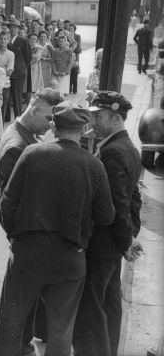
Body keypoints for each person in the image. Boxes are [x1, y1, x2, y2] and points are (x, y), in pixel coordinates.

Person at [0, 101, 115, 356]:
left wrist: (17, 237)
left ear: (52, 126)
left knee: (10, 324)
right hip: (69, 258)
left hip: (28, 254)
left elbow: (7, 204)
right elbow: (106, 216)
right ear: (82, 130)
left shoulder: (32, 153)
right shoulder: (93, 165)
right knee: (61, 331)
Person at [0, 88, 64, 353]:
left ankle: (18, 336)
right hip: (24, 232)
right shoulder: (17, 147)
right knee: (19, 295)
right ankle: (14, 341)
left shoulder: (26, 136)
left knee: (22, 293)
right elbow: (16, 202)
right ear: (34, 110)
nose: (51, 125)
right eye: (49, 119)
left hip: (26, 233)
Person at [73, 92, 143, 356]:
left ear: (115, 118)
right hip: (114, 241)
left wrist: (126, 240)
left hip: (104, 242)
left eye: (98, 116)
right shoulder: (126, 146)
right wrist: (128, 236)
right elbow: (133, 198)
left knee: (91, 305)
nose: (93, 121)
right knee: (111, 302)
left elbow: (118, 203)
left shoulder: (113, 151)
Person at [7, 20, 32, 121]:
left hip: (18, 72)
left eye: (15, 28)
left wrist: (21, 67)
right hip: (7, 72)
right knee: (7, 96)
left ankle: (18, 117)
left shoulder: (23, 41)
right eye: (11, 27)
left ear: (18, 29)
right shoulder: (6, 40)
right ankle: (7, 117)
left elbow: (28, 57)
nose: (13, 29)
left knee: (17, 95)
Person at [0, 32, 15, 125]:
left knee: (2, 109)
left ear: (8, 40)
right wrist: (3, 68)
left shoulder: (11, 54)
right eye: (1, 39)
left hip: (5, 85)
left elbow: (9, 71)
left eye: (5, 39)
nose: (3, 41)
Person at [68, 24, 82, 94]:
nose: (70, 30)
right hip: (68, 57)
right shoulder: (66, 36)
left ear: (74, 29)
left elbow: (79, 49)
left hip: (75, 57)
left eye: (72, 28)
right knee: (69, 73)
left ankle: (75, 90)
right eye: (69, 28)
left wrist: (72, 48)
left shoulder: (77, 36)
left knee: (75, 73)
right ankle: (69, 89)